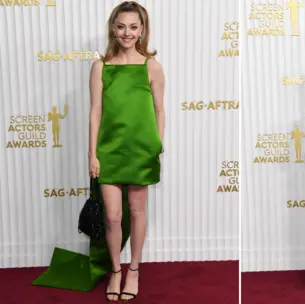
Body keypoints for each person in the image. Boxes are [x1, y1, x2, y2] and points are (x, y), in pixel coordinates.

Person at [88, 1, 165, 302]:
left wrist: (157, 145)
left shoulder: (152, 66)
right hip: (109, 150)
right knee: (112, 215)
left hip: (141, 150)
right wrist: (92, 154)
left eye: (133, 27)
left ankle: (134, 269)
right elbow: (95, 112)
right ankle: (116, 271)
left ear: (142, 30)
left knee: (136, 211)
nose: (127, 32)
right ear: (113, 28)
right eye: (121, 26)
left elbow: (160, 109)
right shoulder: (101, 66)